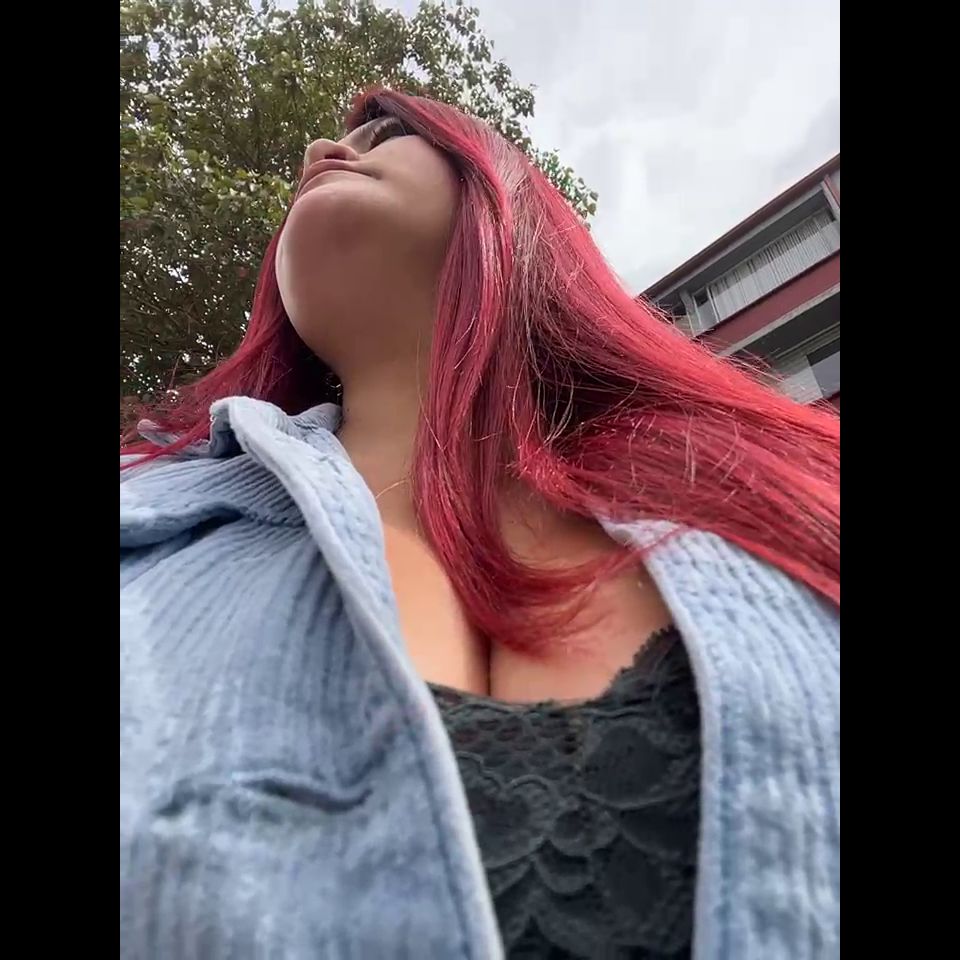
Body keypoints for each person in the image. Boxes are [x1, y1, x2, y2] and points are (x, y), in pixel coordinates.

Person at [120, 88, 839, 959]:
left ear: (502, 190)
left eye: (387, 134)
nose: (321, 151)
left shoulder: (781, 482)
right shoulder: (145, 509)